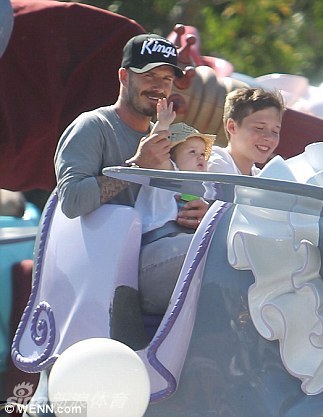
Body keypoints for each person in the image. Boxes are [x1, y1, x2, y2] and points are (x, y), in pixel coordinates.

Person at [54, 33, 210, 320]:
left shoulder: (170, 136)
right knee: (211, 255)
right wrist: (138, 167)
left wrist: (202, 211)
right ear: (124, 76)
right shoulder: (93, 126)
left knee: (234, 247)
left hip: (167, 249)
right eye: (149, 75)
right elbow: (72, 202)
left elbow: (179, 195)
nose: (159, 86)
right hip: (111, 272)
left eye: (166, 78)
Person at [133, 102, 215, 313]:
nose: (200, 157)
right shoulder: (166, 176)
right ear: (171, 157)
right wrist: (163, 123)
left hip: (182, 244)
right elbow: (157, 151)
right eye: (192, 152)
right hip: (158, 248)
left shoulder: (206, 189)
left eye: (202, 154)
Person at [208, 87, 285, 176]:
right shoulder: (215, 163)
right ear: (232, 127)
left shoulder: (259, 175)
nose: (269, 137)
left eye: (275, 131)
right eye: (259, 128)